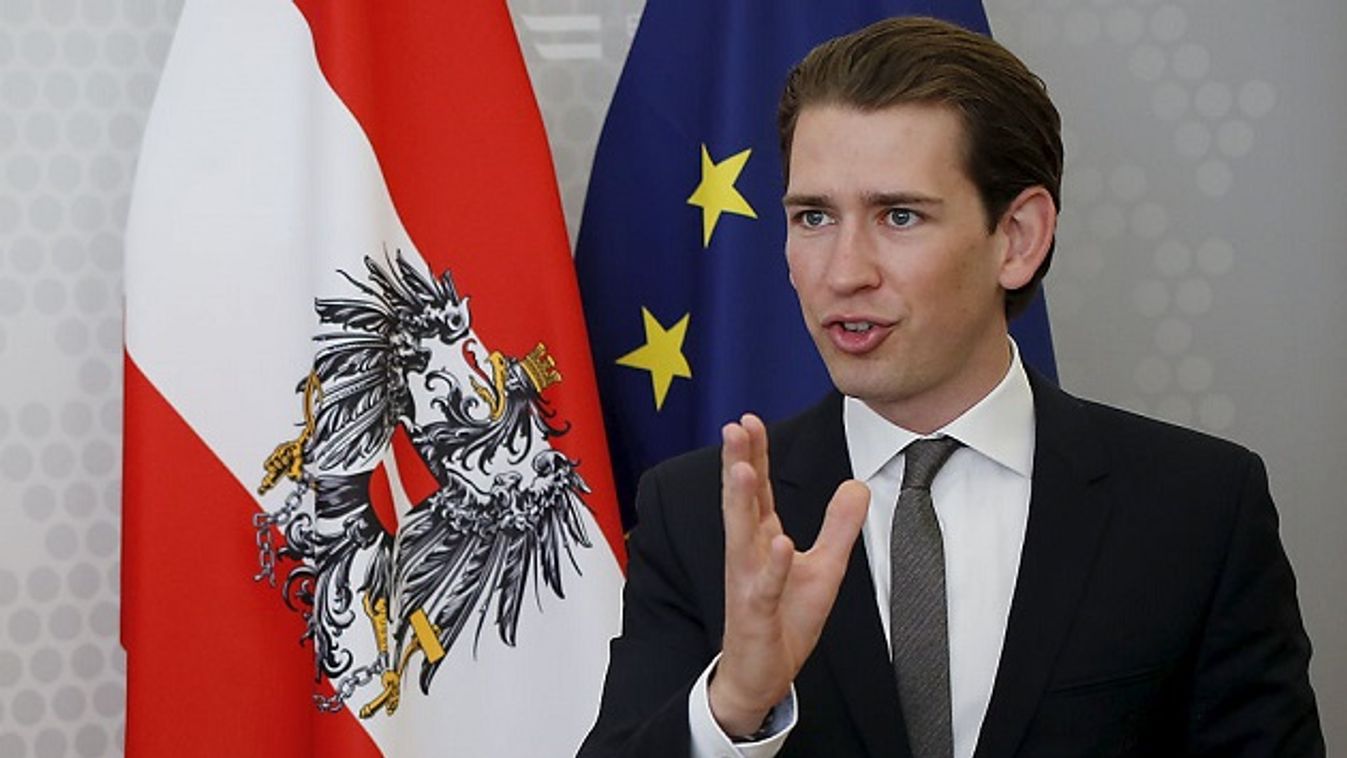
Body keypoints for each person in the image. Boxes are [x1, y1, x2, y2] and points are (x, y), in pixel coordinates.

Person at [578, 16, 1322, 758]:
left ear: (1018, 238)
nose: (844, 272)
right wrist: (733, 707)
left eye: (899, 216)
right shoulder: (695, 513)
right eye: (813, 216)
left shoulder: (1199, 508)